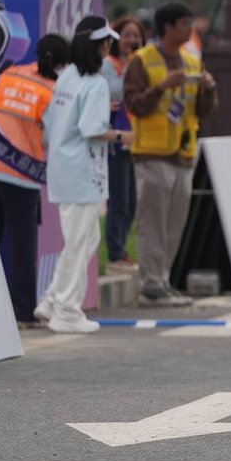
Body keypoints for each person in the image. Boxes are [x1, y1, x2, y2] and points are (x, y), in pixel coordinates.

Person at [36, 19, 132, 334]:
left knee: (83, 239)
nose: (109, 46)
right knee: (80, 241)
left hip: (65, 166)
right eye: (107, 41)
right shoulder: (95, 83)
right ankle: (66, 308)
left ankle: (53, 301)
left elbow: (51, 122)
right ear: (100, 45)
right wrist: (121, 136)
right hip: (82, 171)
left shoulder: (67, 77)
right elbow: (92, 129)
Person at [124, 1, 218, 306]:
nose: (190, 29)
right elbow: (134, 103)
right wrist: (162, 86)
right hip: (152, 153)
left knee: (175, 222)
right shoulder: (142, 60)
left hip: (183, 153)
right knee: (153, 222)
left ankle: (163, 279)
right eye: (184, 24)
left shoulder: (192, 62)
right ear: (167, 27)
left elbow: (204, 111)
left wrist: (208, 90)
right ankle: (151, 285)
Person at [0, 34, 66, 327]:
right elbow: (53, 136)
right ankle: (23, 311)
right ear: (63, 63)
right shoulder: (52, 90)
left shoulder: (11, 73)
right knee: (22, 244)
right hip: (20, 174)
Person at [103, 16, 144, 270]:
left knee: (131, 200)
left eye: (136, 35)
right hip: (115, 140)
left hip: (136, 139)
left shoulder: (139, 63)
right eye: (127, 35)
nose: (132, 40)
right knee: (119, 199)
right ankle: (115, 253)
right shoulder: (109, 65)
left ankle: (121, 251)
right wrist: (132, 68)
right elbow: (117, 92)